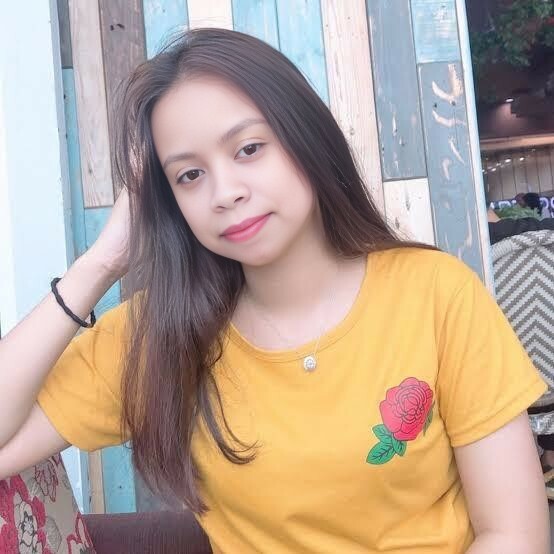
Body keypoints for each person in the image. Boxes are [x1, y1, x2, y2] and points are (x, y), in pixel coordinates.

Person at [0, 29, 549, 553]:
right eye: (189, 175)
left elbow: (516, 535)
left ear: (304, 137)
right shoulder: (157, 337)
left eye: (248, 149)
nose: (225, 192)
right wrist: (99, 265)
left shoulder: (436, 295)